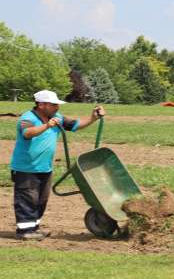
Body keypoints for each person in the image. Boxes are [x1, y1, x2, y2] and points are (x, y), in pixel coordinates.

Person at [10, 90, 106, 240]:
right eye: (53, 105)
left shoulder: (57, 118)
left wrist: (93, 118)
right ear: (41, 105)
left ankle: (34, 228)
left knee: (41, 199)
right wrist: (47, 126)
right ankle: (24, 231)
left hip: (45, 167)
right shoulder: (28, 118)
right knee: (27, 198)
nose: (57, 107)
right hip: (26, 168)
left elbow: (75, 125)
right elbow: (28, 133)